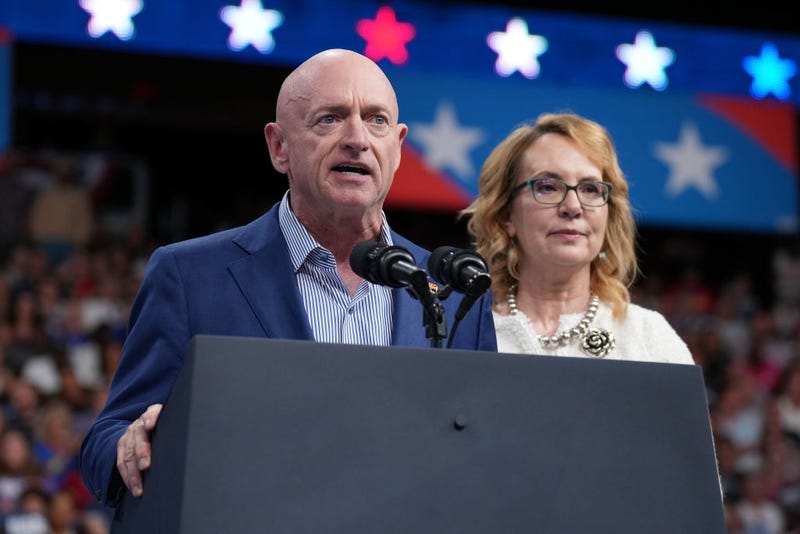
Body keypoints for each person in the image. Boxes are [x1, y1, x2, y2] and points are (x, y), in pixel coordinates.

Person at [78, 48, 497, 508]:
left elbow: (487, 452)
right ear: (279, 147)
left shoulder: (456, 294)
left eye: (376, 120)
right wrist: (128, 446)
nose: (357, 138)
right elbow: (107, 440)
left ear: (398, 148)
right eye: (330, 119)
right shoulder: (189, 276)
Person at [461, 112, 693, 364]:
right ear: (507, 214)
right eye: (548, 187)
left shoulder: (650, 339)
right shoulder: (466, 336)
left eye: (591, 189)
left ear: (608, 214)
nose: (572, 206)